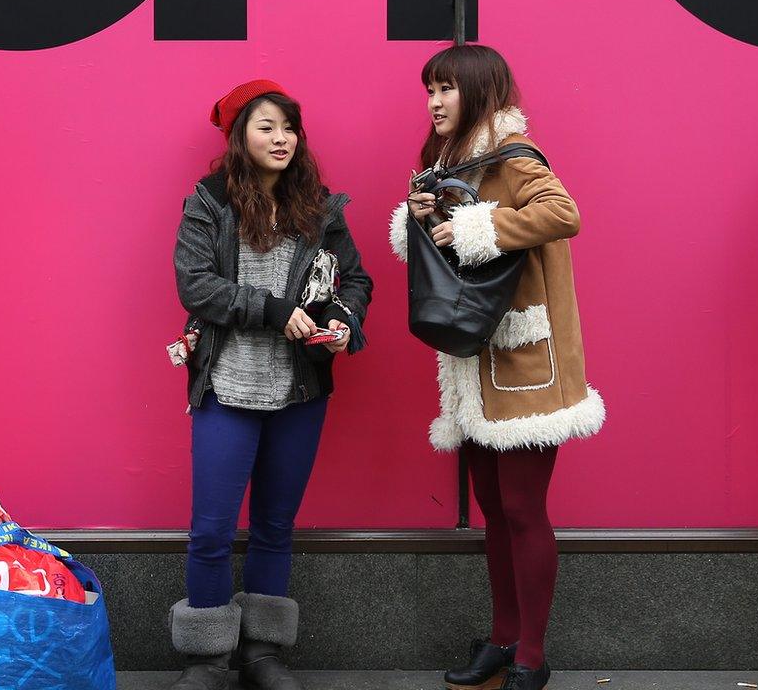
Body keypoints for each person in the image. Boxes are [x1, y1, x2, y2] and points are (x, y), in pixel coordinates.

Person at [394, 44, 603, 690]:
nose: (434, 101)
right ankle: (503, 639)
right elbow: (447, 253)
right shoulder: (446, 164)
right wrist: (428, 220)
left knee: (521, 507)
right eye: (429, 88)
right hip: (476, 364)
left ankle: (533, 657)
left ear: (480, 92)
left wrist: (480, 225)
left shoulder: (515, 158)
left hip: (526, 362)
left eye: (447, 88)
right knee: (491, 503)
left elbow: (562, 214)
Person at [169, 80, 373, 690]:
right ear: (240, 136)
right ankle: (205, 660)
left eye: (288, 127)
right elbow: (195, 284)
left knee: (274, 526)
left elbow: (356, 281)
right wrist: (273, 309)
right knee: (210, 528)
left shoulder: (319, 208)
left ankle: (263, 654)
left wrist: (344, 325)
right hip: (227, 386)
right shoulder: (208, 202)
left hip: (298, 392)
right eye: (266, 126)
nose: (281, 138)